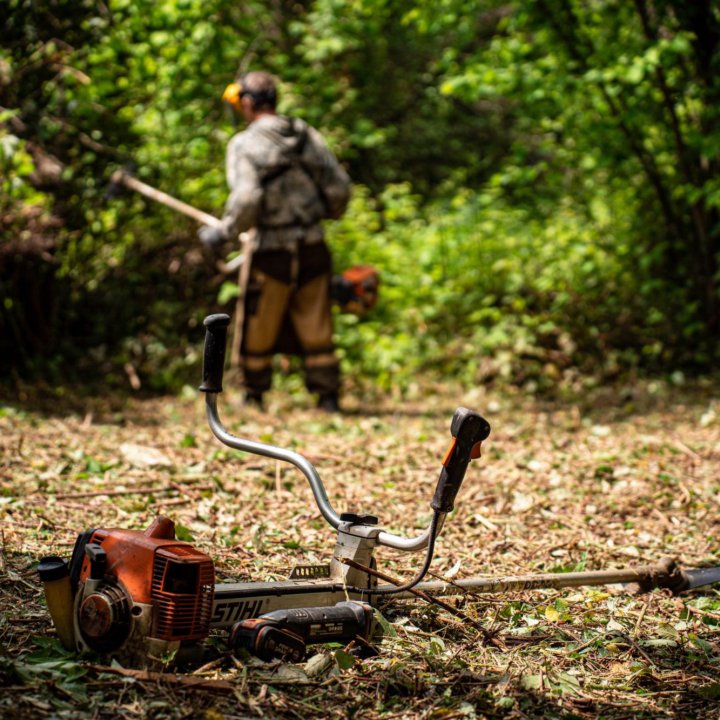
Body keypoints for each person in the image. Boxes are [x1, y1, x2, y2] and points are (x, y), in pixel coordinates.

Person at [198, 71, 351, 412]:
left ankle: (254, 395)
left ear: (248, 104)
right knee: (317, 322)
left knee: (258, 322)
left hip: (271, 250)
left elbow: (248, 198)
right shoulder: (306, 135)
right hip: (313, 244)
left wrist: (225, 232)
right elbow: (340, 190)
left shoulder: (244, 144)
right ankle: (327, 397)